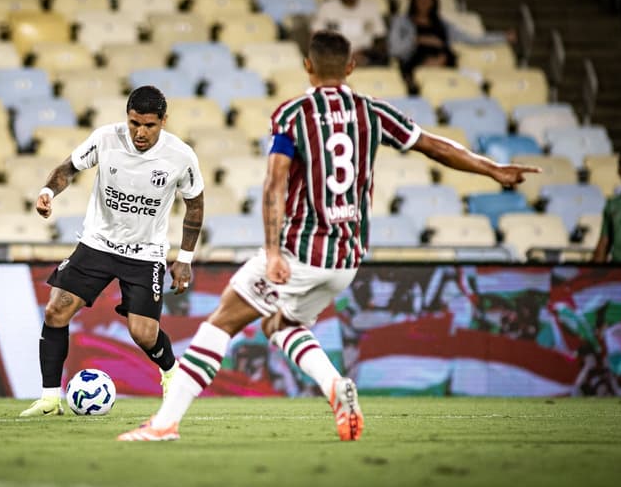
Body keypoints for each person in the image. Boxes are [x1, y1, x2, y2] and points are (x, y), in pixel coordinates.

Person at [117, 30, 540, 441]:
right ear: (351, 67)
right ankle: (336, 387)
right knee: (280, 323)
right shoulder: (373, 112)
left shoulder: (293, 114)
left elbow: (275, 184)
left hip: (300, 251)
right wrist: (492, 169)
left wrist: (272, 251)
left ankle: (164, 425)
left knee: (221, 322)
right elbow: (432, 145)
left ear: (307, 66)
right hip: (346, 260)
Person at [20, 85, 205, 417]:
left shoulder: (181, 156)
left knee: (143, 333)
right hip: (97, 245)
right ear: (127, 117)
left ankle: (171, 373)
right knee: (55, 312)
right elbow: (68, 169)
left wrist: (185, 259)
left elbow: (194, 206)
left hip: (145, 253)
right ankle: (50, 398)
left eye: (149, 125)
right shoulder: (105, 139)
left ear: (164, 120)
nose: (140, 132)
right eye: (134, 123)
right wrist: (48, 191)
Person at [388, 0, 511, 78]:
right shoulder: (401, 22)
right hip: (414, 70)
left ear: (434, 2)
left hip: (445, 68)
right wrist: (417, 40)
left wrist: (503, 37)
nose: (425, 1)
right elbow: (394, 50)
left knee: (476, 78)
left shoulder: (443, 25)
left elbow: (473, 39)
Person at [310, 0, 388, 66]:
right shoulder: (327, 7)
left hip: (364, 58)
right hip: (334, 59)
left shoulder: (371, 8)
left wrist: (364, 53)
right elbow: (315, 39)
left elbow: (380, 39)